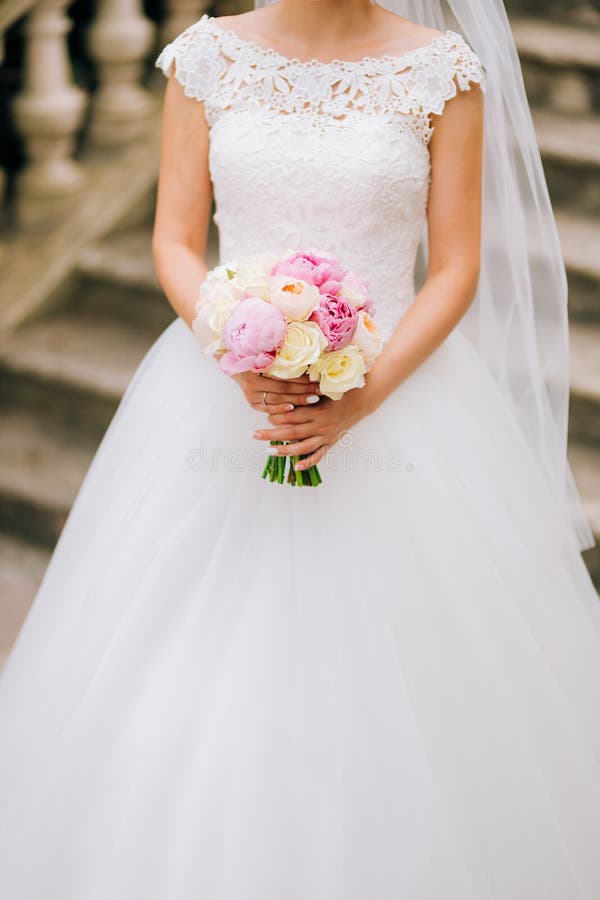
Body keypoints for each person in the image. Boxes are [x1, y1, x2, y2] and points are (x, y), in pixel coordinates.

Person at [0, 1, 599, 897]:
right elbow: (173, 237)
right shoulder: (204, 57)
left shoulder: (442, 69)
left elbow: (457, 266)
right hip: (220, 396)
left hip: (395, 397)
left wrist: (362, 397)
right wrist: (233, 345)